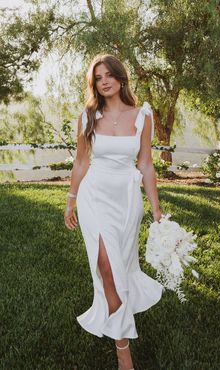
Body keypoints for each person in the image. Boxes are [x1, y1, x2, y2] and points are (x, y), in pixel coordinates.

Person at [64, 54, 164, 370]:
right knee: (105, 264)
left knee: (121, 263)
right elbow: (81, 162)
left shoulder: (142, 115)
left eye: (109, 74)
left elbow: (145, 164)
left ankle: (119, 307)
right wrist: (71, 199)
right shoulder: (88, 116)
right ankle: (123, 351)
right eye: (98, 77)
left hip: (127, 197)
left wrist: (157, 211)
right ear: (94, 83)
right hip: (94, 195)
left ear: (120, 77)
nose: (104, 80)